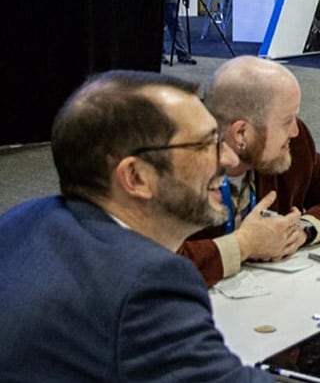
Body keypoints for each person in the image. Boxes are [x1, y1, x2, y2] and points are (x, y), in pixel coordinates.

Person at [0, 71, 269, 381]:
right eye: (206, 145)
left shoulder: (22, 219)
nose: (228, 158)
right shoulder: (146, 284)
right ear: (137, 177)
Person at [179, 56, 320, 286]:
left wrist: (302, 231)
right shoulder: (172, 163)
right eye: (286, 121)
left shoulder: (294, 149)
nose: (295, 131)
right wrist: (244, 245)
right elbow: (149, 265)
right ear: (241, 133)